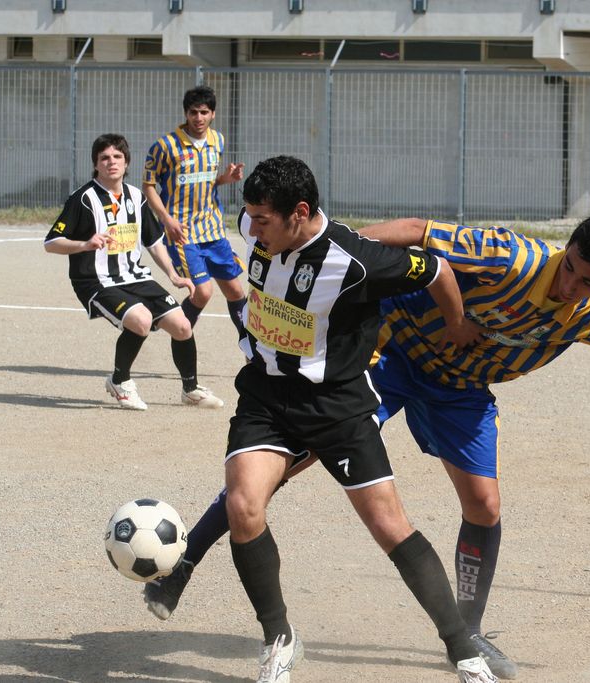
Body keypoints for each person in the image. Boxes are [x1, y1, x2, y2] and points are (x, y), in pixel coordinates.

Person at [145, 212, 590, 680]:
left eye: (589, 281)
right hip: (391, 356)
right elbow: (418, 231)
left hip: (461, 390)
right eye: (571, 268)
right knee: (285, 463)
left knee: (485, 505)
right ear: (566, 248)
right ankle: (184, 561)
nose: (571, 285)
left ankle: (465, 628)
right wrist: (337, 253)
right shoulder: (510, 255)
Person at [203, 155, 496, 683]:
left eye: (263, 220)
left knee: (388, 526)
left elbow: (436, 269)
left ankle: (462, 650)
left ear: (298, 212)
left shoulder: (356, 261)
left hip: (337, 405)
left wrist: (455, 324)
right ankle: (278, 639)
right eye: (251, 217)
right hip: (266, 397)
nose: (252, 228)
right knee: (244, 506)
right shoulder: (255, 224)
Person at [44, 133, 223, 411]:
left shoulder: (136, 197)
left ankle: (190, 389)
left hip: (136, 277)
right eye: (104, 158)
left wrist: (173, 275)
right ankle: (120, 381)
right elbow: (51, 243)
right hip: (97, 281)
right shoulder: (82, 199)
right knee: (141, 320)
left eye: (117, 157)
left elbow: (154, 241)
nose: (111, 162)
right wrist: (84, 244)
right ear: (96, 164)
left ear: (126, 162)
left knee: (182, 325)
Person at [143, 85, 248, 340]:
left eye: (204, 112)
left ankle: (250, 347)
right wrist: (166, 220)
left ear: (213, 114)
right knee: (203, 292)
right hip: (182, 232)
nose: (198, 118)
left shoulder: (217, 140)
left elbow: (207, 181)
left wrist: (225, 179)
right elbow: (148, 186)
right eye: (193, 112)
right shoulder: (165, 146)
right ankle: (180, 336)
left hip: (213, 229)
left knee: (236, 291)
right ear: (186, 114)